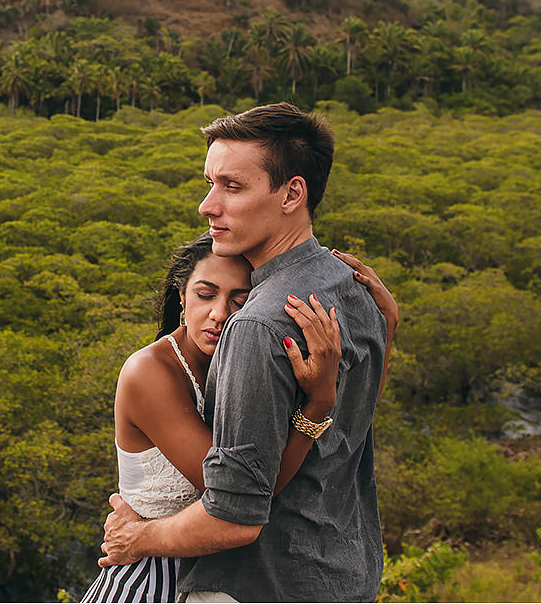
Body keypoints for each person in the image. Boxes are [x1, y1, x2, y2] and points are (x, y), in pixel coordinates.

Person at [98, 103, 391, 602]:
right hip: (345, 571)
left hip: (261, 584)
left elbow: (236, 516)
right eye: (209, 183)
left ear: (291, 193)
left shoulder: (258, 323)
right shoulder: (353, 287)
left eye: (231, 186)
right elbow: (355, 427)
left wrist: (139, 537)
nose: (207, 205)